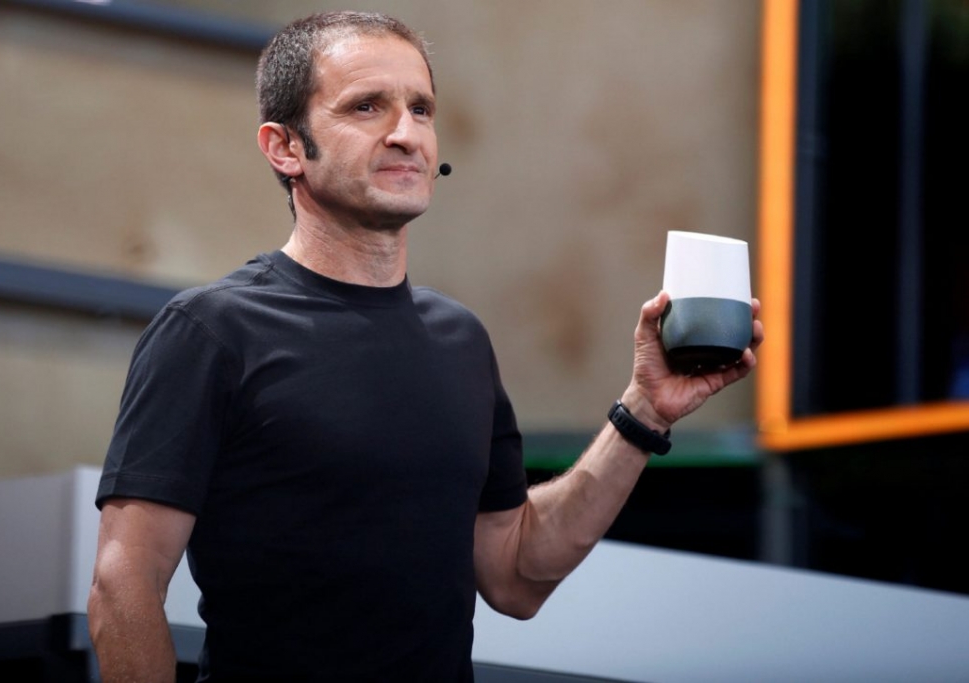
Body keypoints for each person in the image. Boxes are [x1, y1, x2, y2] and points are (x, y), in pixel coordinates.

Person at [87, 10, 763, 683]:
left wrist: (645, 409)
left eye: (421, 108)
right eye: (367, 106)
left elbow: (517, 574)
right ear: (285, 146)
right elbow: (125, 586)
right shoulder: (210, 331)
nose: (406, 133)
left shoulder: (461, 339)